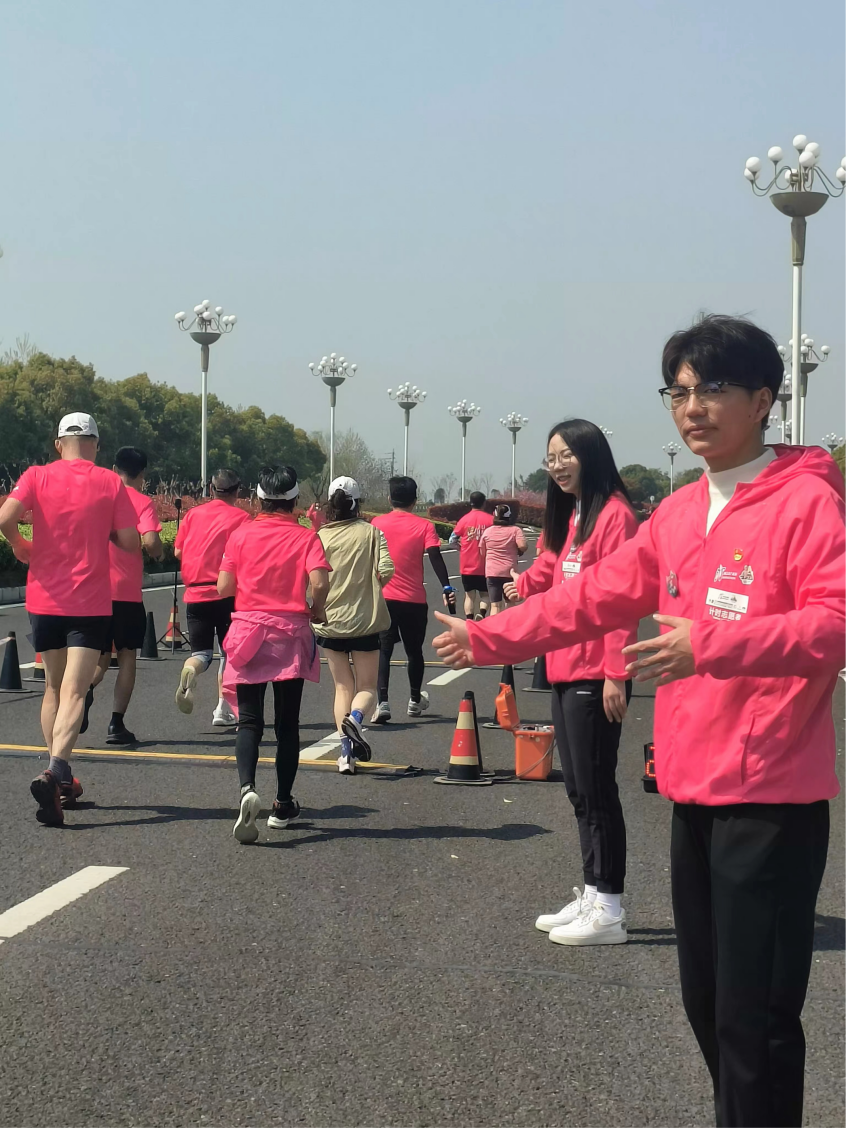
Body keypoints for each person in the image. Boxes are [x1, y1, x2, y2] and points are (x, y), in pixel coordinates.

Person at [433, 314, 846, 1128]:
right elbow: (589, 598)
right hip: (695, 788)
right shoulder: (680, 512)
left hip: (770, 795)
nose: (693, 407)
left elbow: (834, 624)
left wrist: (713, 646)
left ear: (765, 399)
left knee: (755, 1020)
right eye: (679, 392)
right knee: (707, 1004)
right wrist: (487, 638)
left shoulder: (806, 501)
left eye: (714, 388)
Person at [502, 420, 638, 945]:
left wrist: (616, 673)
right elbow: (551, 565)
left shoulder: (615, 515)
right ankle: (593, 892)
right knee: (579, 789)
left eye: (566, 456)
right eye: (551, 457)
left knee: (597, 789)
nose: (557, 466)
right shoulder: (573, 511)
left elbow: (623, 598)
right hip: (562, 664)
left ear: (591, 455)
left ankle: (609, 909)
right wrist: (523, 584)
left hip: (595, 670)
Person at [0, 413, 138, 825]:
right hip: (89, 602)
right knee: (76, 692)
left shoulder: (37, 476)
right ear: (96, 444)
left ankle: (59, 777)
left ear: (58, 444)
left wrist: (21, 545)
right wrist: (106, 531)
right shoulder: (110, 482)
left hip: (44, 599)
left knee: (53, 689)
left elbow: (5, 518)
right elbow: (130, 541)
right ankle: (56, 769)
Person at [217, 466, 330, 844]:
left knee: (249, 722)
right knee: (287, 725)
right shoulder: (306, 537)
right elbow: (320, 582)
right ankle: (282, 804)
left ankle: (247, 788)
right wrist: (316, 609)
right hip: (289, 635)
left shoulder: (241, 534)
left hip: (248, 633)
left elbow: (224, 586)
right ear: (294, 501)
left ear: (258, 500)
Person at [81, 446, 163, 744]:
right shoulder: (141, 502)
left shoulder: (97, 497)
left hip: (94, 592)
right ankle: (116, 724)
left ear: (114, 470)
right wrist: (156, 551)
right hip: (126, 594)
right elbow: (151, 541)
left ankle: (85, 691)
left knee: (99, 657)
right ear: (142, 475)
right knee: (127, 655)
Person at [312, 476, 394, 774]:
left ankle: (345, 755)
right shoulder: (372, 532)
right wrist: (370, 588)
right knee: (367, 686)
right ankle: (357, 719)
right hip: (365, 622)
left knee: (341, 687)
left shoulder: (320, 536)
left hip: (330, 620)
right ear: (357, 503)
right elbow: (387, 569)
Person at [370, 476, 456, 722]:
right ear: (415, 501)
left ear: (389, 498)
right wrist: (446, 586)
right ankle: (414, 700)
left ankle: (383, 703)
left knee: (383, 651)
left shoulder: (376, 524)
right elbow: (435, 556)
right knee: (414, 651)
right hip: (414, 600)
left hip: (383, 598)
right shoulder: (424, 526)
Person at [173, 468, 250, 725]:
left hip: (195, 594)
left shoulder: (193, 515)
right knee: (229, 654)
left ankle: (191, 669)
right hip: (227, 593)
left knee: (202, 654)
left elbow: (178, 552)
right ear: (237, 491)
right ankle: (222, 708)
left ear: (210, 489)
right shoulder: (242, 518)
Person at [449, 491, 494, 620]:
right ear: (484, 503)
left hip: (467, 565)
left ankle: (469, 619)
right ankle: (482, 613)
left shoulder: (464, 520)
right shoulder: (491, 520)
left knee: (469, 595)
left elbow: (452, 540)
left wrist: (461, 548)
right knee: (485, 594)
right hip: (485, 565)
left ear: (470, 503)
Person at [479, 504, 526, 614]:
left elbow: (482, 553)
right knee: (510, 602)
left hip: (492, 572)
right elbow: (523, 546)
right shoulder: (515, 530)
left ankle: (493, 625)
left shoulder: (487, 532)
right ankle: (509, 624)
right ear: (509, 516)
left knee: (495, 605)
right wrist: (518, 550)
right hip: (509, 572)